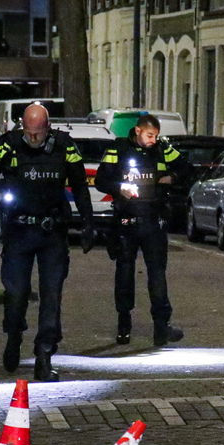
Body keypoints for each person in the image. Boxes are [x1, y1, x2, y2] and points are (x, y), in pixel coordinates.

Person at [0, 103, 95, 381]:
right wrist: (6, 185)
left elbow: (79, 184)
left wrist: (88, 223)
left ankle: (44, 353)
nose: (33, 139)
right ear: (23, 126)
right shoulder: (8, 144)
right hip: (19, 230)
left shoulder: (65, 146)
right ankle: (14, 335)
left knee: (51, 294)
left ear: (48, 127)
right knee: (16, 292)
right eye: (29, 133)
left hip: (52, 231)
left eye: (38, 134)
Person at [95, 114, 189, 348]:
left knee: (157, 274)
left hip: (153, 221)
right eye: (149, 135)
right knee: (125, 274)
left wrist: (172, 177)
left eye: (156, 136)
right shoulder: (117, 149)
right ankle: (124, 326)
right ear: (137, 131)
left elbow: (187, 169)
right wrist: (118, 188)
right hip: (126, 221)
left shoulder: (163, 150)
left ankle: (161, 328)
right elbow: (100, 180)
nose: (153, 140)